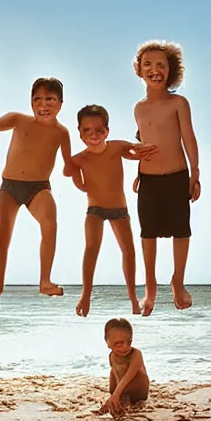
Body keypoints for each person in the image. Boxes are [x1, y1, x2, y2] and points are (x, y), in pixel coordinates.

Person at [0, 78, 74, 312]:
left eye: (50, 99)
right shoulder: (19, 120)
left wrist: (80, 175)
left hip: (39, 187)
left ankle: (45, 281)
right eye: (38, 99)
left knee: (50, 223)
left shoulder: (62, 133)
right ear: (31, 102)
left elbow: (69, 165)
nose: (44, 105)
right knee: (3, 235)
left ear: (60, 103)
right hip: (10, 186)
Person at [132, 40, 201, 316]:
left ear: (171, 71)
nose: (155, 69)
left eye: (161, 65)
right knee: (148, 234)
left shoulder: (179, 103)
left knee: (181, 231)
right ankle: (150, 286)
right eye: (148, 64)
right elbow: (144, 142)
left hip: (176, 176)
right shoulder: (138, 108)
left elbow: (189, 138)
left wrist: (195, 174)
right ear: (140, 70)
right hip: (148, 179)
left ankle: (178, 280)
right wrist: (137, 172)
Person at [71, 105, 157, 317]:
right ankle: (85, 296)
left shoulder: (116, 146)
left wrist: (142, 150)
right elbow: (79, 184)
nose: (94, 135)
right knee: (91, 248)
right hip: (95, 209)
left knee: (129, 251)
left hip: (119, 210)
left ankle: (133, 300)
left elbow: (133, 151)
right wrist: (89, 185)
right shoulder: (79, 159)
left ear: (107, 131)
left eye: (99, 130)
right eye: (87, 130)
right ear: (80, 133)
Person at [98, 318, 149, 417]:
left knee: (137, 374)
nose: (125, 347)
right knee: (113, 372)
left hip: (138, 391)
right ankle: (119, 399)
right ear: (108, 342)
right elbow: (118, 378)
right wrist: (115, 395)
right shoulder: (111, 356)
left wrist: (117, 394)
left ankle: (122, 399)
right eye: (119, 344)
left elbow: (128, 377)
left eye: (129, 342)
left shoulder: (136, 354)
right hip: (122, 388)